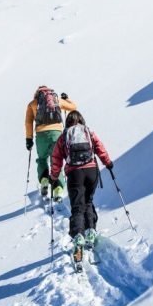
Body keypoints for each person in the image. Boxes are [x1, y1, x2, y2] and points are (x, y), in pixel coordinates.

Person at [50, 110, 113, 264]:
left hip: (74, 174)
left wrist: (53, 177)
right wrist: (108, 163)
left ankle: (78, 237)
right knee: (88, 201)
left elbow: (56, 158)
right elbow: (99, 147)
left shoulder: (64, 136)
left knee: (77, 207)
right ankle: (90, 231)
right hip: (91, 171)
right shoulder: (88, 131)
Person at [25, 86, 77, 201]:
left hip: (41, 135)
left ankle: (44, 181)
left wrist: (29, 139)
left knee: (42, 159)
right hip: (57, 135)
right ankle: (58, 189)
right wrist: (67, 98)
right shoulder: (57, 100)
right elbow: (74, 107)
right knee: (56, 161)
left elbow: (28, 122)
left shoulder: (33, 104)